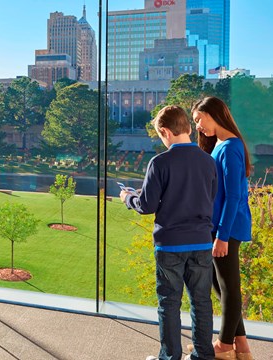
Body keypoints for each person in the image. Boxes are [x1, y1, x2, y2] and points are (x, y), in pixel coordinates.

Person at [120, 106, 217, 360]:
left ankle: (170, 357)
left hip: (170, 246)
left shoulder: (160, 163)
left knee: (169, 305)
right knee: (202, 303)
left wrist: (129, 198)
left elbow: (147, 206)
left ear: (165, 131)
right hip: (201, 243)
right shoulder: (209, 162)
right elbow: (211, 200)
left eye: (160, 135)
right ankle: (203, 356)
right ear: (186, 126)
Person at [193, 97, 253, 360]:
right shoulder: (221, 144)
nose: (197, 126)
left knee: (228, 287)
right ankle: (242, 346)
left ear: (213, 114)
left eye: (198, 119)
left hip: (227, 228)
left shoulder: (230, 147)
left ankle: (224, 345)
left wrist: (223, 236)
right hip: (218, 226)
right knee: (221, 287)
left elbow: (234, 196)